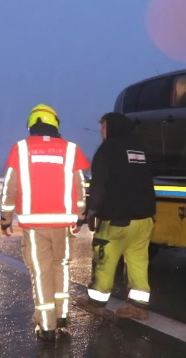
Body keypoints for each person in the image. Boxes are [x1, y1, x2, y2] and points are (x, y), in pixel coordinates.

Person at [0, 104, 90, 341]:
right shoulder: (71, 149)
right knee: (61, 267)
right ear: (55, 123)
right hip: (63, 224)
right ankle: (62, 316)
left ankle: (47, 327)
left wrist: (5, 219)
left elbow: (11, 187)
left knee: (41, 272)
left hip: (35, 225)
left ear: (32, 124)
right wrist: (81, 216)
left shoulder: (20, 149)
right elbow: (81, 186)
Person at [75, 112, 156, 321]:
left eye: (103, 127)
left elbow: (99, 184)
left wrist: (92, 211)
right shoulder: (140, 147)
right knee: (138, 261)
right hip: (144, 219)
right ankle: (139, 307)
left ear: (112, 127)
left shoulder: (108, 149)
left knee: (105, 259)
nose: (101, 132)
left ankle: (96, 303)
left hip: (116, 219)